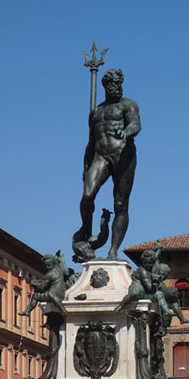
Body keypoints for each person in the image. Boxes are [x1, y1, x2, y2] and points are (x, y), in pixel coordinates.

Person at [76, 68, 141, 260]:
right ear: (105, 86)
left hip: (124, 155)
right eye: (113, 84)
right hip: (101, 155)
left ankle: (113, 249)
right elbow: (90, 143)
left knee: (120, 203)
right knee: (87, 195)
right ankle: (86, 228)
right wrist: (85, 167)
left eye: (119, 84)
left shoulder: (128, 104)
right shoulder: (96, 112)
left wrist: (126, 132)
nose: (117, 88)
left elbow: (136, 124)